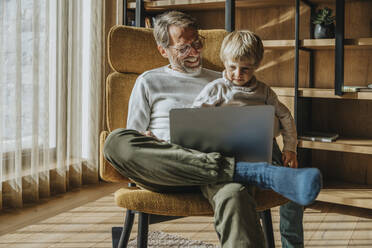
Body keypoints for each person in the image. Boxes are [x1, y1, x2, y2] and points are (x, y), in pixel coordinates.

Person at [104, 11, 322, 247]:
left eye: (197, 43)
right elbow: (133, 136)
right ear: (163, 50)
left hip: (218, 171)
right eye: (184, 48)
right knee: (115, 142)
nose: (195, 51)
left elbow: (269, 118)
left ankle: (240, 171)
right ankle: (247, 171)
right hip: (169, 167)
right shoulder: (148, 81)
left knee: (235, 196)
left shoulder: (227, 79)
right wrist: (148, 139)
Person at [192, 30, 308, 247]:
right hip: (227, 152)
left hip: (264, 147)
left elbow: (286, 117)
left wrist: (290, 148)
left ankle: (292, 244)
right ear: (224, 62)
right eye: (231, 67)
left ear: (257, 65)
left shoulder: (264, 92)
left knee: (294, 186)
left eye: (245, 69)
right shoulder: (216, 89)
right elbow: (194, 118)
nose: (237, 74)